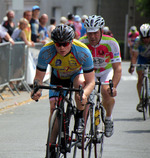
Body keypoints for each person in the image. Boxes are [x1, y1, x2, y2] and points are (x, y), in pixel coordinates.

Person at [31, 24, 95, 146]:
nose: (61, 48)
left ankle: (80, 117)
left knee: (80, 87)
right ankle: (51, 145)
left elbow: (91, 81)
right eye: (58, 44)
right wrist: (36, 90)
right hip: (58, 77)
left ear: (71, 42)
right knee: (53, 107)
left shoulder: (83, 51)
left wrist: (84, 94)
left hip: (76, 75)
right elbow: (38, 79)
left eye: (65, 44)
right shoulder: (46, 51)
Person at [80, 15, 122, 137]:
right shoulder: (82, 42)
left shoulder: (111, 42)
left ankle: (108, 118)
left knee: (106, 91)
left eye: (95, 33)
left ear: (101, 31)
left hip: (105, 71)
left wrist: (113, 86)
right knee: (83, 94)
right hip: (89, 71)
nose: (92, 36)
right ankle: (81, 126)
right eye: (89, 33)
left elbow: (117, 68)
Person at [128, 24, 150, 112]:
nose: (145, 40)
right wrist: (132, 66)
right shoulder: (137, 41)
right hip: (142, 59)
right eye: (143, 38)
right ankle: (141, 100)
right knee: (140, 78)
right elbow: (134, 56)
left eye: (147, 37)